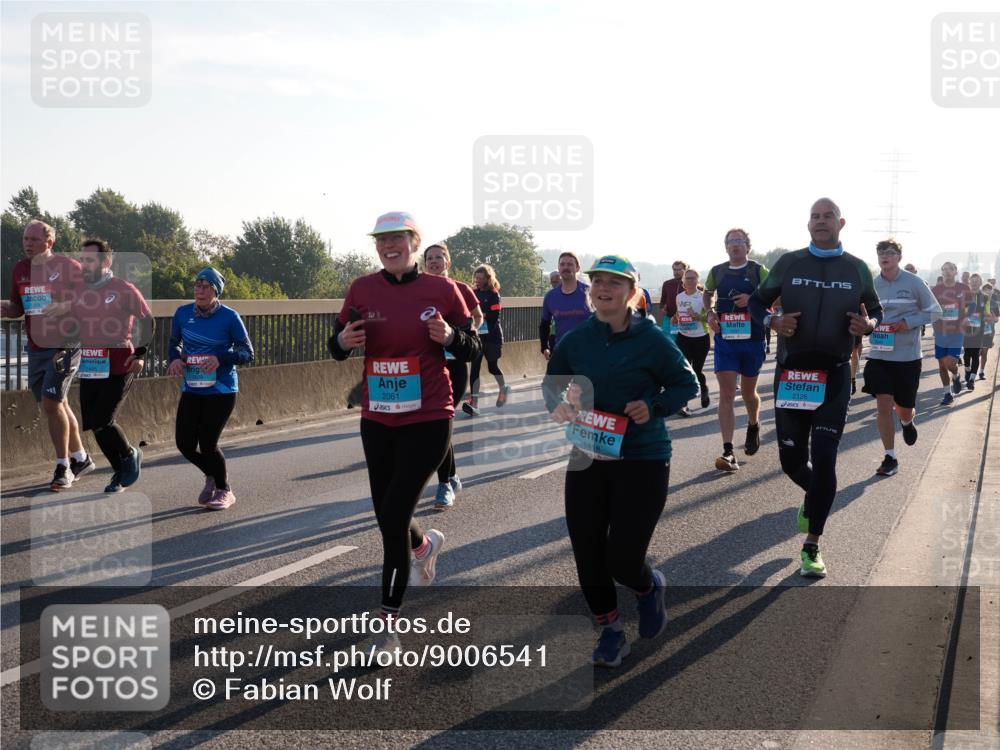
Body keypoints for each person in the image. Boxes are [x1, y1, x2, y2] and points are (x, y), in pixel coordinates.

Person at [329, 211, 480, 652]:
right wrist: (342, 343)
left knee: (392, 517)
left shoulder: (443, 289)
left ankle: (387, 621)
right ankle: (422, 547)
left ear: (415, 241)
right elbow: (336, 344)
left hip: (430, 416)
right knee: (388, 516)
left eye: (397, 238)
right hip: (378, 418)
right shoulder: (362, 289)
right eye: (381, 240)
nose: (388, 246)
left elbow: (472, 348)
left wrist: (450, 337)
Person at [544, 254, 697, 667]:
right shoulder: (576, 340)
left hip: (642, 459)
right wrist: (561, 406)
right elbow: (552, 384)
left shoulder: (652, 340)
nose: (603, 289)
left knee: (623, 560)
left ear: (632, 292)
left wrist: (655, 406)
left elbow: (687, 383)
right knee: (587, 551)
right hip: (588, 455)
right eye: (598, 282)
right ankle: (611, 630)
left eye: (614, 283)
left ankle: (648, 588)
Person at [748, 198, 882, 578]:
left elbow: (876, 311)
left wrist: (867, 326)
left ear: (841, 222)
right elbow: (758, 305)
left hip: (835, 375)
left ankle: (812, 546)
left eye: (827, 217)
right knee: (791, 461)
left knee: (825, 458)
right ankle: (816, 495)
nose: (820, 222)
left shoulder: (856, 268)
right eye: (814, 217)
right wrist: (773, 321)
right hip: (792, 375)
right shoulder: (791, 263)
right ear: (808, 225)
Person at [2, 219, 92, 491]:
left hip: (66, 343)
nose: (27, 244)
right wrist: (6, 309)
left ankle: (63, 466)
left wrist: (65, 305)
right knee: (57, 403)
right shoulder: (20, 269)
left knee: (52, 403)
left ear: (49, 243)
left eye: (33, 240)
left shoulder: (67, 267)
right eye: (25, 239)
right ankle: (81, 458)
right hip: (37, 345)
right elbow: (19, 308)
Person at [167, 267, 254, 510]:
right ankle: (212, 475)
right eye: (197, 286)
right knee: (184, 443)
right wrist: (174, 358)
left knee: (207, 443)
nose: (200, 290)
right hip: (192, 387)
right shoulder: (183, 313)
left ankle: (225, 490)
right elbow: (175, 342)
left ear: (216, 291)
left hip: (222, 389)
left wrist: (220, 358)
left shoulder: (230, 317)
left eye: (206, 287)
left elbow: (248, 353)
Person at [72, 238, 154, 492]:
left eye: (89, 260)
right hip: (90, 363)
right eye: (82, 259)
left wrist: (140, 354)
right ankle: (119, 471)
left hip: (120, 363)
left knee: (104, 419)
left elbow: (148, 321)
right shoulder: (80, 290)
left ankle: (130, 454)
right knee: (94, 424)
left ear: (105, 262)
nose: (83, 264)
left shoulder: (123, 288)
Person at [863, 240, 940, 477]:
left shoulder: (914, 282)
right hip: (878, 355)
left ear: (898, 257)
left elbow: (936, 311)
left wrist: (908, 322)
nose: (885, 256)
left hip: (907, 357)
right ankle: (890, 457)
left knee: (904, 408)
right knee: (883, 402)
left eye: (890, 253)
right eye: (881, 253)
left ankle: (907, 422)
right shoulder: (871, 285)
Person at [423, 242, 482, 509]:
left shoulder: (461, 289)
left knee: (439, 420)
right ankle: (452, 475)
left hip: (455, 364)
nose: (434, 261)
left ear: (448, 262)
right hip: (425, 366)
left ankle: (445, 484)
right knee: (435, 425)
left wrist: (457, 337)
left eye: (439, 257)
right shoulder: (416, 290)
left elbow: (477, 318)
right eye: (429, 258)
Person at [704, 229, 768, 471]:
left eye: (739, 241)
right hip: (726, 339)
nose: (734, 245)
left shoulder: (758, 270)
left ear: (747, 246)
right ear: (726, 247)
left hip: (753, 338)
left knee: (749, 393)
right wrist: (710, 312)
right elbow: (707, 292)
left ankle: (753, 424)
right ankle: (728, 450)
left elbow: (777, 296)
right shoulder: (717, 271)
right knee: (727, 393)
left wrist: (752, 298)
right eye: (730, 241)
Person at [464, 264, 511, 416]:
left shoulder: (494, 295)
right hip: (477, 337)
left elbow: (494, 317)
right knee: (475, 369)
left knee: (492, 367)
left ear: (487, 279)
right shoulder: (473, 292)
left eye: (480, 278)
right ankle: (474, 403)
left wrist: (479, 314)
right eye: (475, 277)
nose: (476, 280)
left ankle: (503, 388)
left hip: (492, 337)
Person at [930, 262, 971, 405]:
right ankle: (947, 393)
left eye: (950, 269)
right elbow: (930, 308)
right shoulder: (935, 290)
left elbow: (971, 307)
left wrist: (967, 318)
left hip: (957, 332)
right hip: (940, 331)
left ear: (955, 271)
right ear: (941, 272)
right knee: (942, 365)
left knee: (951, 362)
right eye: (944, 269)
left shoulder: (964, 288)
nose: (947, 272)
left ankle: (956, 374)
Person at [672, 268, 712, 413]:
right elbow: (679, 312)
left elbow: (710, 318)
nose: (689, 281)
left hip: (701, 338)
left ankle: (704, 388)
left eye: (692, 278)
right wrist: (676, 317)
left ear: (697, 280)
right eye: (687, 278)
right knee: (684, 370)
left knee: (697, 370)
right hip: (684, 337)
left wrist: (697, 317)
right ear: (683, 281)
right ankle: (683, 404)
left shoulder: (703, 297)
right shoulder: (679, 297)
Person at [540, 252, 591, 359]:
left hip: (587, 355)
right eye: (562, 264)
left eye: (570, 264)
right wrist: (544, 347)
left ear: (577, 268)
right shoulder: (550, 297)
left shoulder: (590, 293)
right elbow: (544, 324)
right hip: (561, 354)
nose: (565, 267)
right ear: (558, 268)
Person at [961, 273, 988, 391]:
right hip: (966, 330)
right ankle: (967, 370)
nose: (975, 283)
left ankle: (971, 380)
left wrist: (987, 317)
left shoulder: (985, 297)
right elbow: (960, 310)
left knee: (975, 354)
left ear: (980, 282)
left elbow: (987, 312)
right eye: (973, 281)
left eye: (977, 281)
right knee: (967, 355)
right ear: (969, 282)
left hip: (979, 330)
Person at [659, 260, 688, 340]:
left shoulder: (690, 284)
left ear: (685, 270)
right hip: (669, 319)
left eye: (679, 269)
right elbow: (662, 301)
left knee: (684, 344)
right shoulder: (667, 284)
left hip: (686, 320)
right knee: (668, 342)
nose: (676, 272)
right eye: (675, 270)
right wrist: (662, 308)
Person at [979, 281, 998, 379]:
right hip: (978, 331)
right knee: (977, 352)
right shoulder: (979, 302)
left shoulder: (994, 304)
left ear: (992, 292)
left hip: (989, 332)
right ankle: (971, 369)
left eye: (989, 292)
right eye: (985, 292)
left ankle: (981, 372)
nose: (988, 294)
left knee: (984, 353)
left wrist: (993, 318)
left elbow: (996, 319)